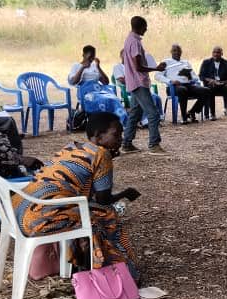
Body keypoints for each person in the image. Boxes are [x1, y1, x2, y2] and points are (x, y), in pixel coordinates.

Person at [13, 113, 143, 280]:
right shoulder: (102, 155)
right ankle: (116, 273)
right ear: (98, 136)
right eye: (116, 134)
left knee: (91, 211)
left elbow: (85, 191)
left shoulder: (72, 147)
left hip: (20, 210)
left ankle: (78, 264)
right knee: (106, 215)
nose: (120, 139)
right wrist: (125, 194)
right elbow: (102, 199)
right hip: (41, 219)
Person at [120, 16, 167, 155]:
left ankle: (126, 144)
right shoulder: (134, 42)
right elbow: (138, 67)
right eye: (145, 26)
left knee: (135, 113)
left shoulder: (130, 40)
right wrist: (156, 69)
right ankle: (154, 144)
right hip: (139, 82)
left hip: (134, 82)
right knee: (153, 113)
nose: (146, 29)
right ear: (140, 26)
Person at [154, 44, 211, 124]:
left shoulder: (185, 62)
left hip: (188, 85)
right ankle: (184, 117)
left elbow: (195, 76)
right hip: (174, 87)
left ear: (181, 52)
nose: (177, 52)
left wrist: (190, 77)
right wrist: (170, 81)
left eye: (178, 51)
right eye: (174, 50)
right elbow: (157, 76)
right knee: (182, 90)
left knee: (207, 90)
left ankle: (192, 112)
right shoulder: (166, 62)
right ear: (171, 52)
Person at [198, 46, 227, 119]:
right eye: (214, 52)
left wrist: (224, 82)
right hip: (211, 84)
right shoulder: (206, 62)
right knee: (209, 89)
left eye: (218, 52)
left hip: (223, 84)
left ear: (222, 54)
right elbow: (201, 76)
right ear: (212, 53)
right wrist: (210, 80)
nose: (216, 54)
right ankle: (212, 113)